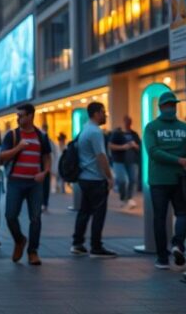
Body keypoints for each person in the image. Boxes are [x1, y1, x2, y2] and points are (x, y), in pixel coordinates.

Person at [143, 92, 186, 269]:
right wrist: (183, 162)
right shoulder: (185, 128)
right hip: (180, 179)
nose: (171, 108)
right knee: (181, 213)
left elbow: (153, 152)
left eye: (172, 105)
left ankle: (162, 258)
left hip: (159, 179)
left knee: (160, 217)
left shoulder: (151, 128)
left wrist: (176, 160)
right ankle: (177, 245)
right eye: (170, 105)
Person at [0, 103, 53, 266]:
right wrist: (18, 148)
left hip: (34, 184)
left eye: (21, 116)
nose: (18, 118)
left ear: (30, 116)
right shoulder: (12, 135)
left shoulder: (41, 136)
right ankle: (20, 240)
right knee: (10, 216)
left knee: (35, 218)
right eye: (18, 116)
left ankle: (33, 252)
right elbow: (2, 157)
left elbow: (46, 157)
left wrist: (45, 172)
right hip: (15, 181)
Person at [70, 102, 117, 258]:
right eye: (103, 112)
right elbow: (101, 156)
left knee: (84, 211)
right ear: (96, 113)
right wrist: (109, 177)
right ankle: (96, 247)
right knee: (99, 213)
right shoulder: (96, 132)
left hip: (84, 177)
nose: (105, 115)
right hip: (96, 179)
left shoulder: (85, 129)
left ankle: (77, 243)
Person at [108, 116, 141, 209]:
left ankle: (129, 198)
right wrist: (123, 147)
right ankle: (123, 198)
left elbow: (139, 147)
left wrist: (134, 145)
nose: (128, 124)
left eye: (129, 122)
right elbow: (110, 145)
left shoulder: (134, 134)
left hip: (132, 161)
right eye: (126, 122)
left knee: (133, 180)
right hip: (119, 160)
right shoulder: (117, 133)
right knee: (122, 180)